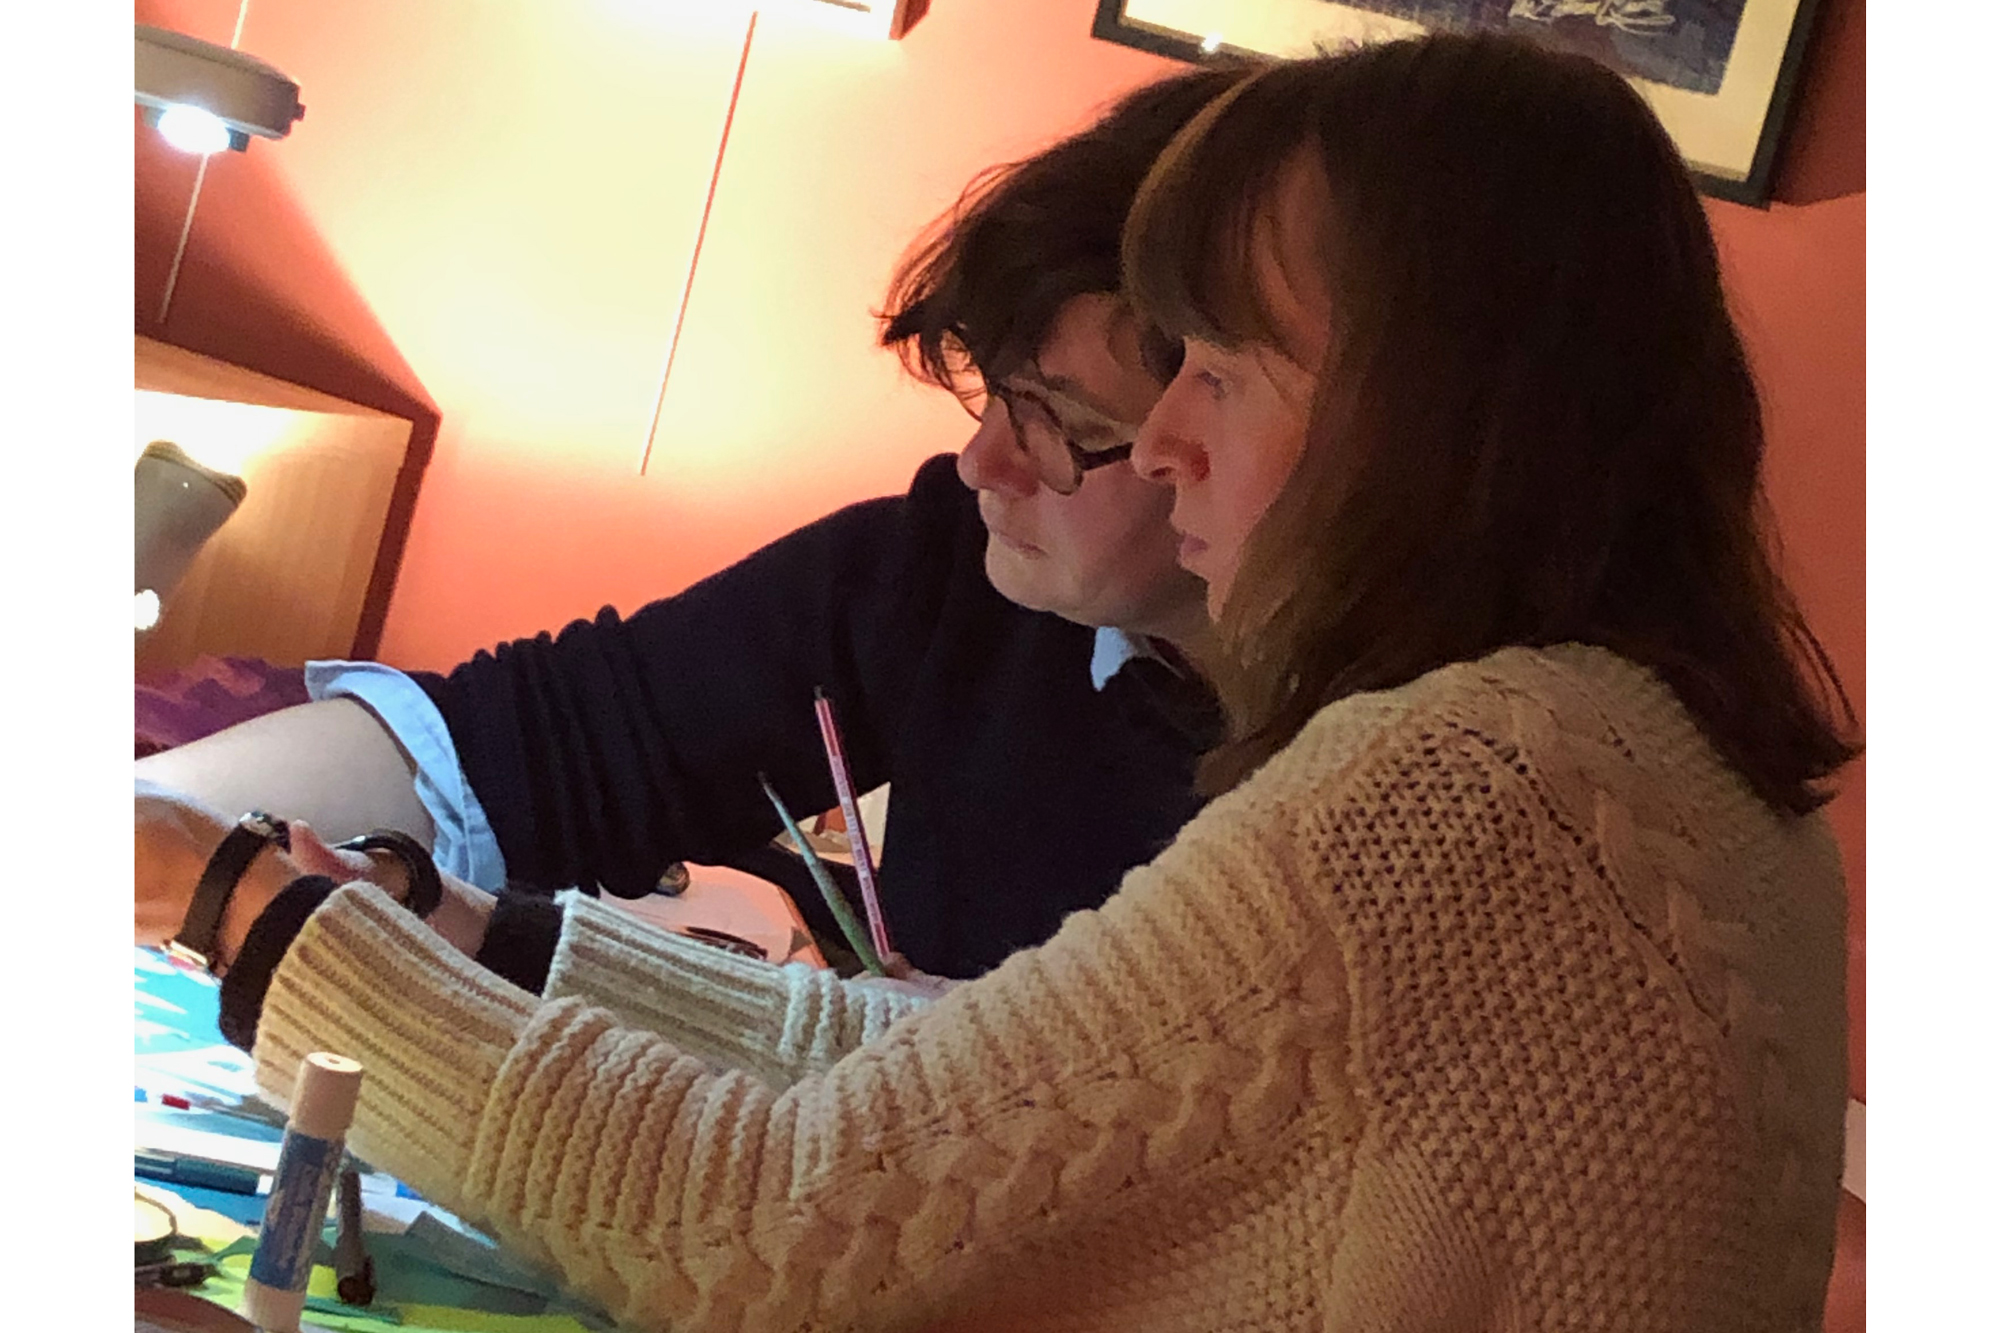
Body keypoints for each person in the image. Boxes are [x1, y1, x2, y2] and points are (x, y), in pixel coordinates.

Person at [137, 33, 1858, 1329]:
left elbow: (768, 1230)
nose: (1166, 445)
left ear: (1429, 430)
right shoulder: (1655, 769)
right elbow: (957, 1081)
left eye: (1225, 374)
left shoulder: (1473, 793)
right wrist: (475, 929)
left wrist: (236, 906)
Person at [135, 64, 1248, 982]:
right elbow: (532, 743)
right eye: (993, 393)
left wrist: (250, 895)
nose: (982, 461)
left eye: (1062, 424)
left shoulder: (1326, 804)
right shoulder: (958, 560)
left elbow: (971, 1092)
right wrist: (162, 831)